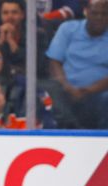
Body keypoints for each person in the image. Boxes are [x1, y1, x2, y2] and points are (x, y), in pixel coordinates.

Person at [44, 0, 108, 129]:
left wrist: (88, 90)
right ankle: (67, 133)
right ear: (86, 12)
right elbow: (54, 62)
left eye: (104, 14)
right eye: (95, 13)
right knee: (49, 90)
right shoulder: (67, 29)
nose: (99, 18)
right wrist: (67, 87)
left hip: (100, 92)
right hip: (67, 90)